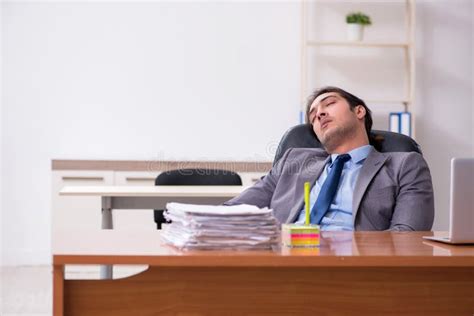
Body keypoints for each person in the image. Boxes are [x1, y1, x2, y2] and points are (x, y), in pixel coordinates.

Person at [225, 86, 434, 231]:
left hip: (356, 268)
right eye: (313, 114)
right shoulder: (293, 161)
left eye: (329, 104)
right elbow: (235, 210)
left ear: (359, 111)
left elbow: (407, 236)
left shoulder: (405, 165)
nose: (319, 114)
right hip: (285, 259)